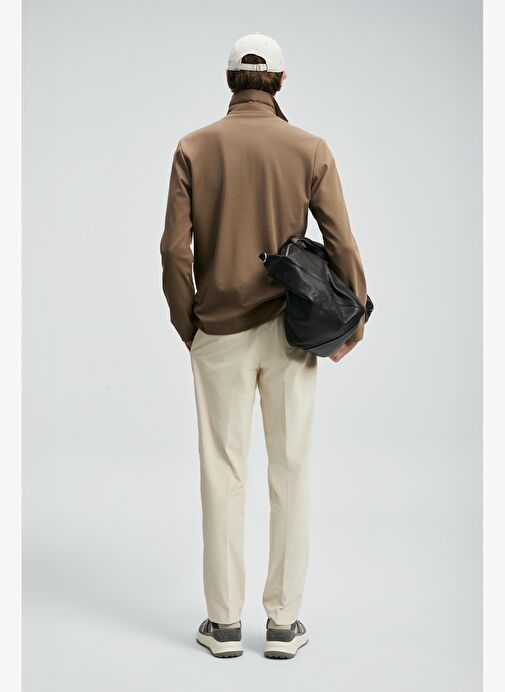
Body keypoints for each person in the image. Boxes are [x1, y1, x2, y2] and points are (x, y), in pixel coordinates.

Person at [159, 32, 368, 659]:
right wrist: (353, 319)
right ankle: (282, 625)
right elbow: (341, 241)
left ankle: (223, 626)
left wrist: (189, 325)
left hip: (218, 332)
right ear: (279, 82)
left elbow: (173, 250)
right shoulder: (309, 148)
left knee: (222, 474)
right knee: (291, 471)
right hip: (290, 333)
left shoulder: (194, 146)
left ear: (230, 81)